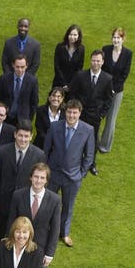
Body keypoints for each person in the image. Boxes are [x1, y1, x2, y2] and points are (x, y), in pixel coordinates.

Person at [8, 162, 61, 268]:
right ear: (31, 177)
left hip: (40, 248)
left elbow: (55, 228)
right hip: (19, 244)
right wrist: (8, 243)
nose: (38, 180)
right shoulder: (18, 195)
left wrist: (50, 253)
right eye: (36, 176)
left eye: (42, 178)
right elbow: (11, 220)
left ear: (46, 180)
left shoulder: (54, 199)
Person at [0, 120, 45, 263]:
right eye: (20, 135)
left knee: (19, 233)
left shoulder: (38, 154)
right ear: (15, 134)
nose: (23, 139)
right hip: (4, 200)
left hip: (24, 202)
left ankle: (15, 260)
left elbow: (39, 180)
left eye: (26, 136)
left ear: (31, 136)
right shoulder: (3, 151)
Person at [43, 99, 94, 246]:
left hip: (73, 177)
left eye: (74, 112)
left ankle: (64, 233)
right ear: (65, 112)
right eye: (69, 112)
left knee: (68, 205)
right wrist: (45, 170)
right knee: (47, 202)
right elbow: (46, 149)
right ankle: (44, 228)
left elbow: (89, 155)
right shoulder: (55, 126)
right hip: (53, 173)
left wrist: (81, 174)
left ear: (79, 113)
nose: (71, 115)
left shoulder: (88, 130)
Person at [68, 51, 113, 174]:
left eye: (98, 61)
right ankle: (74, 161)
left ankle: (91, 163)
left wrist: (102, 115)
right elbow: (72, 93)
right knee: (76, 137)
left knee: (92, 140)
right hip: (80, 114)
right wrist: (75, 109)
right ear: (90, 60)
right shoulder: (81, 75)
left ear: (102, 62)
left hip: (95, 115)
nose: (95, 63)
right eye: (93, 60)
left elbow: (108, 99)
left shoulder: (107, 79)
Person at [98, 28, 133, 154]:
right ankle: (92, 140)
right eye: (114, 37)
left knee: (111, 118)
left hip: (117, 91)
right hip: (103, 88)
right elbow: (101, 68)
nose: (116, 40)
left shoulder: (128, 54)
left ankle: (104, 145)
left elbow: (125, 74)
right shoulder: (106, 49)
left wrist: (113, 89)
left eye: (118, 38)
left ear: (123, 39)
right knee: (97, 113)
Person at [0, 55, 39, 126]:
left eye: (22, 67)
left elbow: (34, 103)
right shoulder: (4, 79)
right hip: (5, 117)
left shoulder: (32, 81)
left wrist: (29, 118)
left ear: (27, 66)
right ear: (13, 65)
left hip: (23, 119)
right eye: (17, 67)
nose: (20, 70)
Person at [52, 24, 84, 91]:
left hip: (73, 84)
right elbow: (57, 66)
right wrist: (64, 84)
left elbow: (79, 68)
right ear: (67, 35)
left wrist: (70, 84)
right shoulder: (60, 47)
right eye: (70, 34)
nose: (72, 37)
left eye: (75, 35)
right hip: (59, 81)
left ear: (79, 36)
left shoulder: (81, 49)